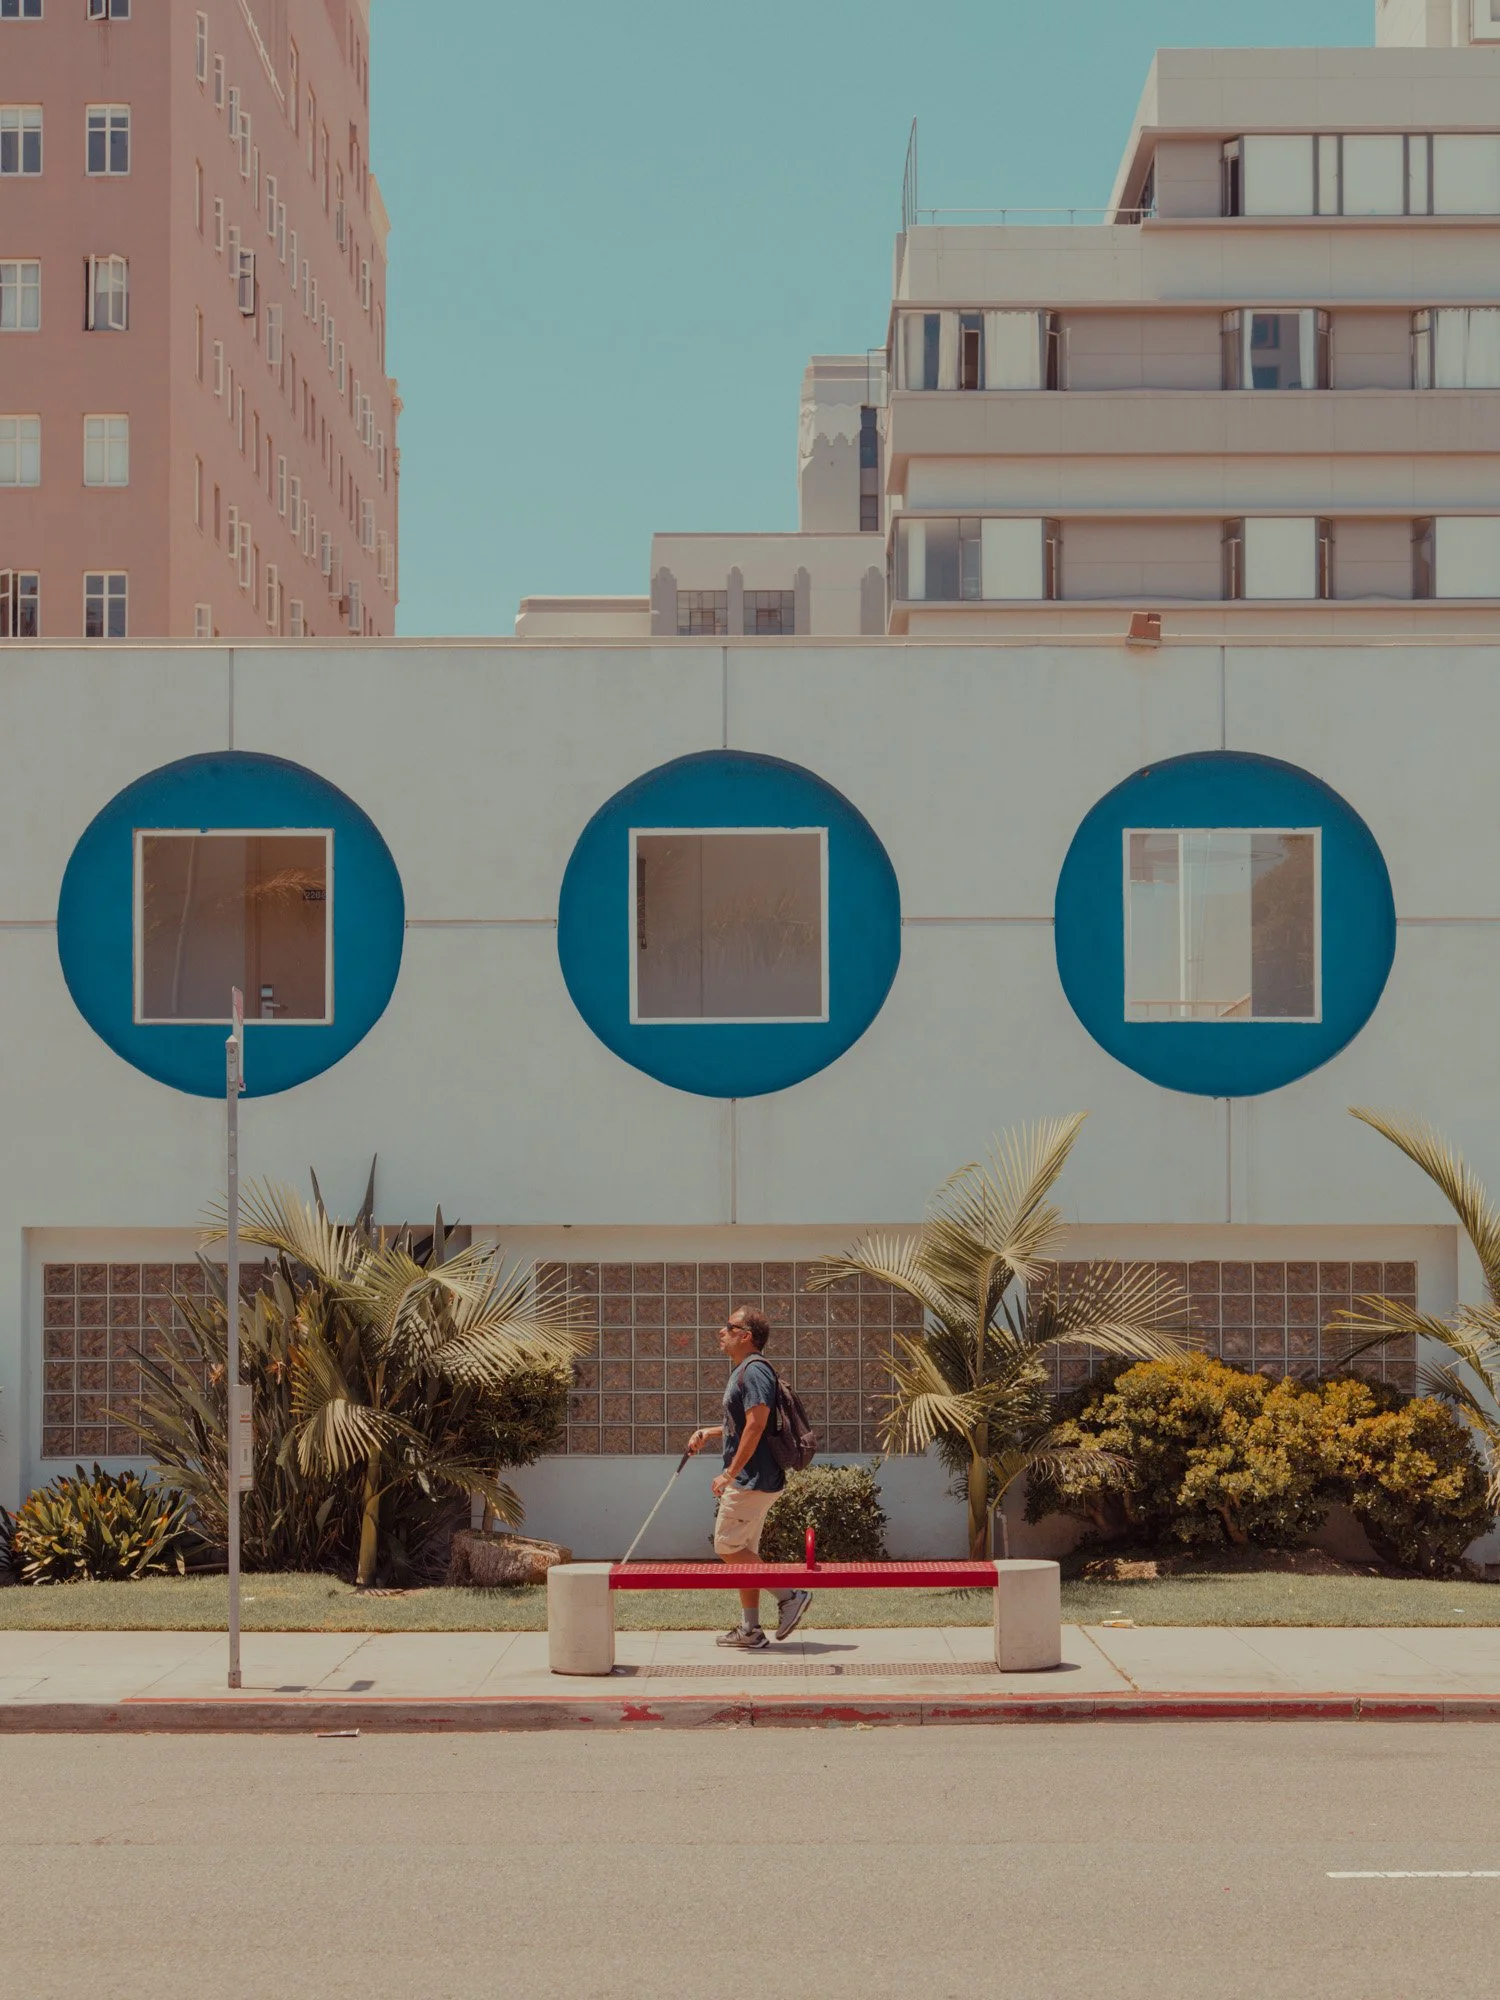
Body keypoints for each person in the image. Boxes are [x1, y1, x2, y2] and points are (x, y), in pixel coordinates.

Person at [685, 1306, 813, 1651]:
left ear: (747, 1336)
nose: (721, 1332)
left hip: (752, 1479)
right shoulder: (744, 1370)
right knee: (745, 1551)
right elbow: (743, 1424)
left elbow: (757, 1425)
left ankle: (790, 1596)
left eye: (729, 1327)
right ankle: (751, 1629)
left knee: (726, 1546)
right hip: (756, 1477)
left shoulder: (754, 1370)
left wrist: (729, 1473)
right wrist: (710, 1433)